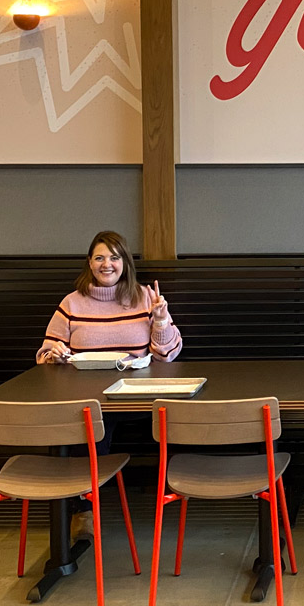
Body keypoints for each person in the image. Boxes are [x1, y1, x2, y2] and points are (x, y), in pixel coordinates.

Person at [36, 230, 182, 537]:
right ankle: (83, 509)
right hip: (86, 397)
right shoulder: (72, 303)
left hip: (137, 398)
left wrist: (160, 319)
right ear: (89, 263)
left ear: (125, 263)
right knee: (87, 426)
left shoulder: (145, 297)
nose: (107, 264)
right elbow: (46, 352)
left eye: (115, 258)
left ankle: (171, 502)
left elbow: (167, 356)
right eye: (100, 257)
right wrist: (57, 354)